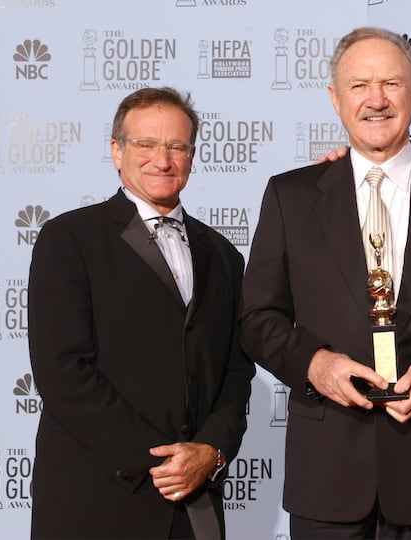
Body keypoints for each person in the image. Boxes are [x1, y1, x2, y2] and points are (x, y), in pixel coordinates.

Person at [239, 27, 411, 539]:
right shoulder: (289, 196)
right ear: (335, 98)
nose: (376, 100)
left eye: (391, 83)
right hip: (326, 469)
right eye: (359, 85)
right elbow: (257, 318)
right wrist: (315, 364)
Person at [28, 87, 255, 539]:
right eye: (145, 144)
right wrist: (163, 464)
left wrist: (210, 452)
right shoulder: (69, 238)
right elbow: (63, 371)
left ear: (192, 155)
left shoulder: (224, 255)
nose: (162, 159)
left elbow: (236, 371)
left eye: (176, 146)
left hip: (194, 506)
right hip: (97, 499)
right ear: (116, 152)